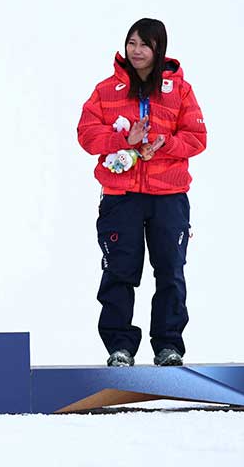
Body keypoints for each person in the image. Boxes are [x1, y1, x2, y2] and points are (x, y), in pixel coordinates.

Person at [77, 18, 206, 367]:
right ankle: (120, 347)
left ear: (158, 49)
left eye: (144, 45)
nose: (136, 51)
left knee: (170, 270)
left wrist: (164, 144)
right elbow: (86, 135)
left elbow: (197, 138)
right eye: (132, 43)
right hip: (122, 197)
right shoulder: (107, 90)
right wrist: (124, 140)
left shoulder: (179, 91)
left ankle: (168, 347)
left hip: (169, 195)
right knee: (120, 271)